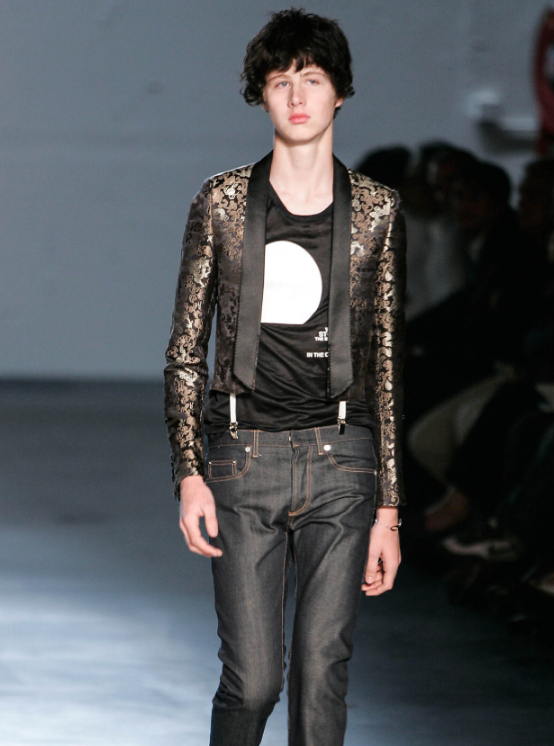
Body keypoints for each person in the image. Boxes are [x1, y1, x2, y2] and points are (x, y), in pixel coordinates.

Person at [163, 9, 406, 746]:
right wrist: (189, 474)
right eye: (279, 82)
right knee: (254, 681)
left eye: (313, 79)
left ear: (340, 93)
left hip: (343, 461)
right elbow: (185, 349)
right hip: (243, 460)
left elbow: (385, 362)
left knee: (322, 676)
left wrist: (389, 509)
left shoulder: (378, 210)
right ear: (261, 95)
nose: (297, 97)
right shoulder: (221, 203)